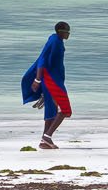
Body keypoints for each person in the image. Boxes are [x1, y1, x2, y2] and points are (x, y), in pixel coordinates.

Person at [21, 21, 72, 149]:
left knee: (52, 110)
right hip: (52, 81)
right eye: (67, 32)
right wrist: (37, 80)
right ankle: (47, 136)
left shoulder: (55, 40)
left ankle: (44, 141)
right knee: (65, 110)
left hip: (54, 80)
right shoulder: (54, 42)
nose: (68, 35)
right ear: (61, 31)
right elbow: (42, 59)